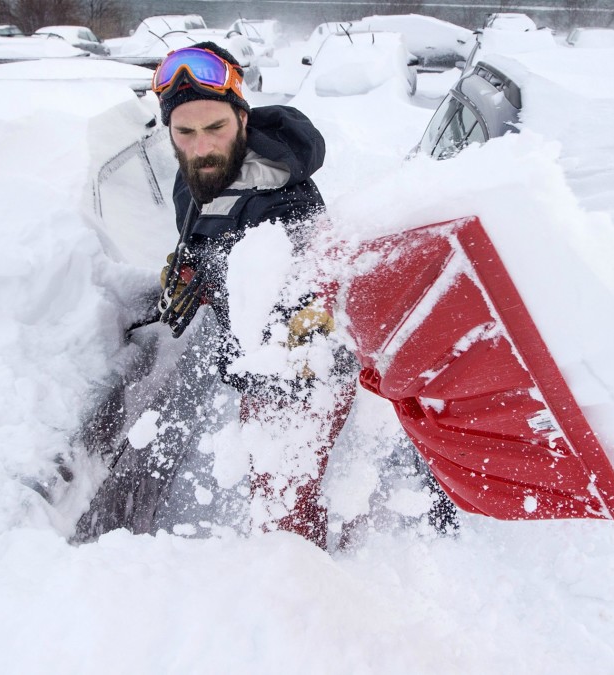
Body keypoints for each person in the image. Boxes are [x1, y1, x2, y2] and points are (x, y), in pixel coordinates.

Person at [151, 42, 356, 549]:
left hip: (295, 375)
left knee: (281, 510)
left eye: (216, 128)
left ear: (242, 118)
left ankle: (305, 599)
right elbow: (209, 241)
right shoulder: (197, 175)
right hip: (253, 359)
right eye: (186, 132)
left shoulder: (287, 199)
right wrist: (191, 276)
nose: (201, 147)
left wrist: (277, 370)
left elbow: (309, 316)